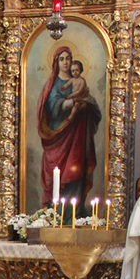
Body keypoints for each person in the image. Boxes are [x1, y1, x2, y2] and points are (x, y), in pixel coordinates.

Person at [38, 45, 100, 210]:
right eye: (62, 59)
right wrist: (73, 103)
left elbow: (92, 104)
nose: (65, 62)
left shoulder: (81, 82)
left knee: (76, 171)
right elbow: (51, 106)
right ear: (56, 62)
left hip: (77, 136)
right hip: (58, 136)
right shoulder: (53, 84)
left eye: (68, 58)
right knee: (57, 174)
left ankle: (75, 211)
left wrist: (86, 104)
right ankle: (54, 212)